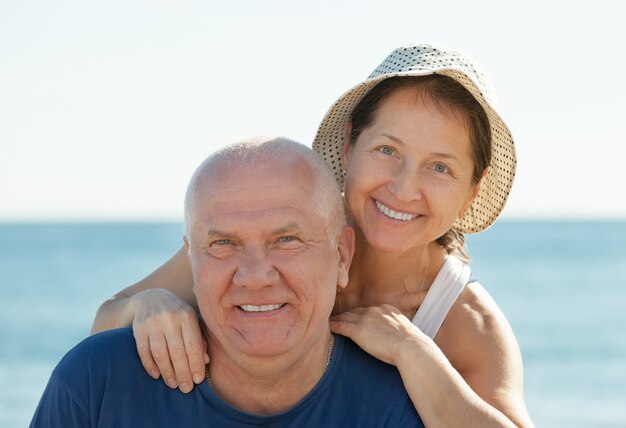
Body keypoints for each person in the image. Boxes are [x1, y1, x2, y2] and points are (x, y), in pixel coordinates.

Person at [91, 44, 534, 427]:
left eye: (440, 167)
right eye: (387, 150)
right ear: (348, 147)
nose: (403, 188)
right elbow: (101, 327)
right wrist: (144, 306)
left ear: (471, 190)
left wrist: (414, 353)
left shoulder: (464, 321)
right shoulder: (281, 233)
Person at [30, 137, 424, 427]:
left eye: (286, 240)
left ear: (342, 255)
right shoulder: (97, 382)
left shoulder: (401, 404)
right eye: (223, 244)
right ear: (192, 258)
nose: (255, 276)